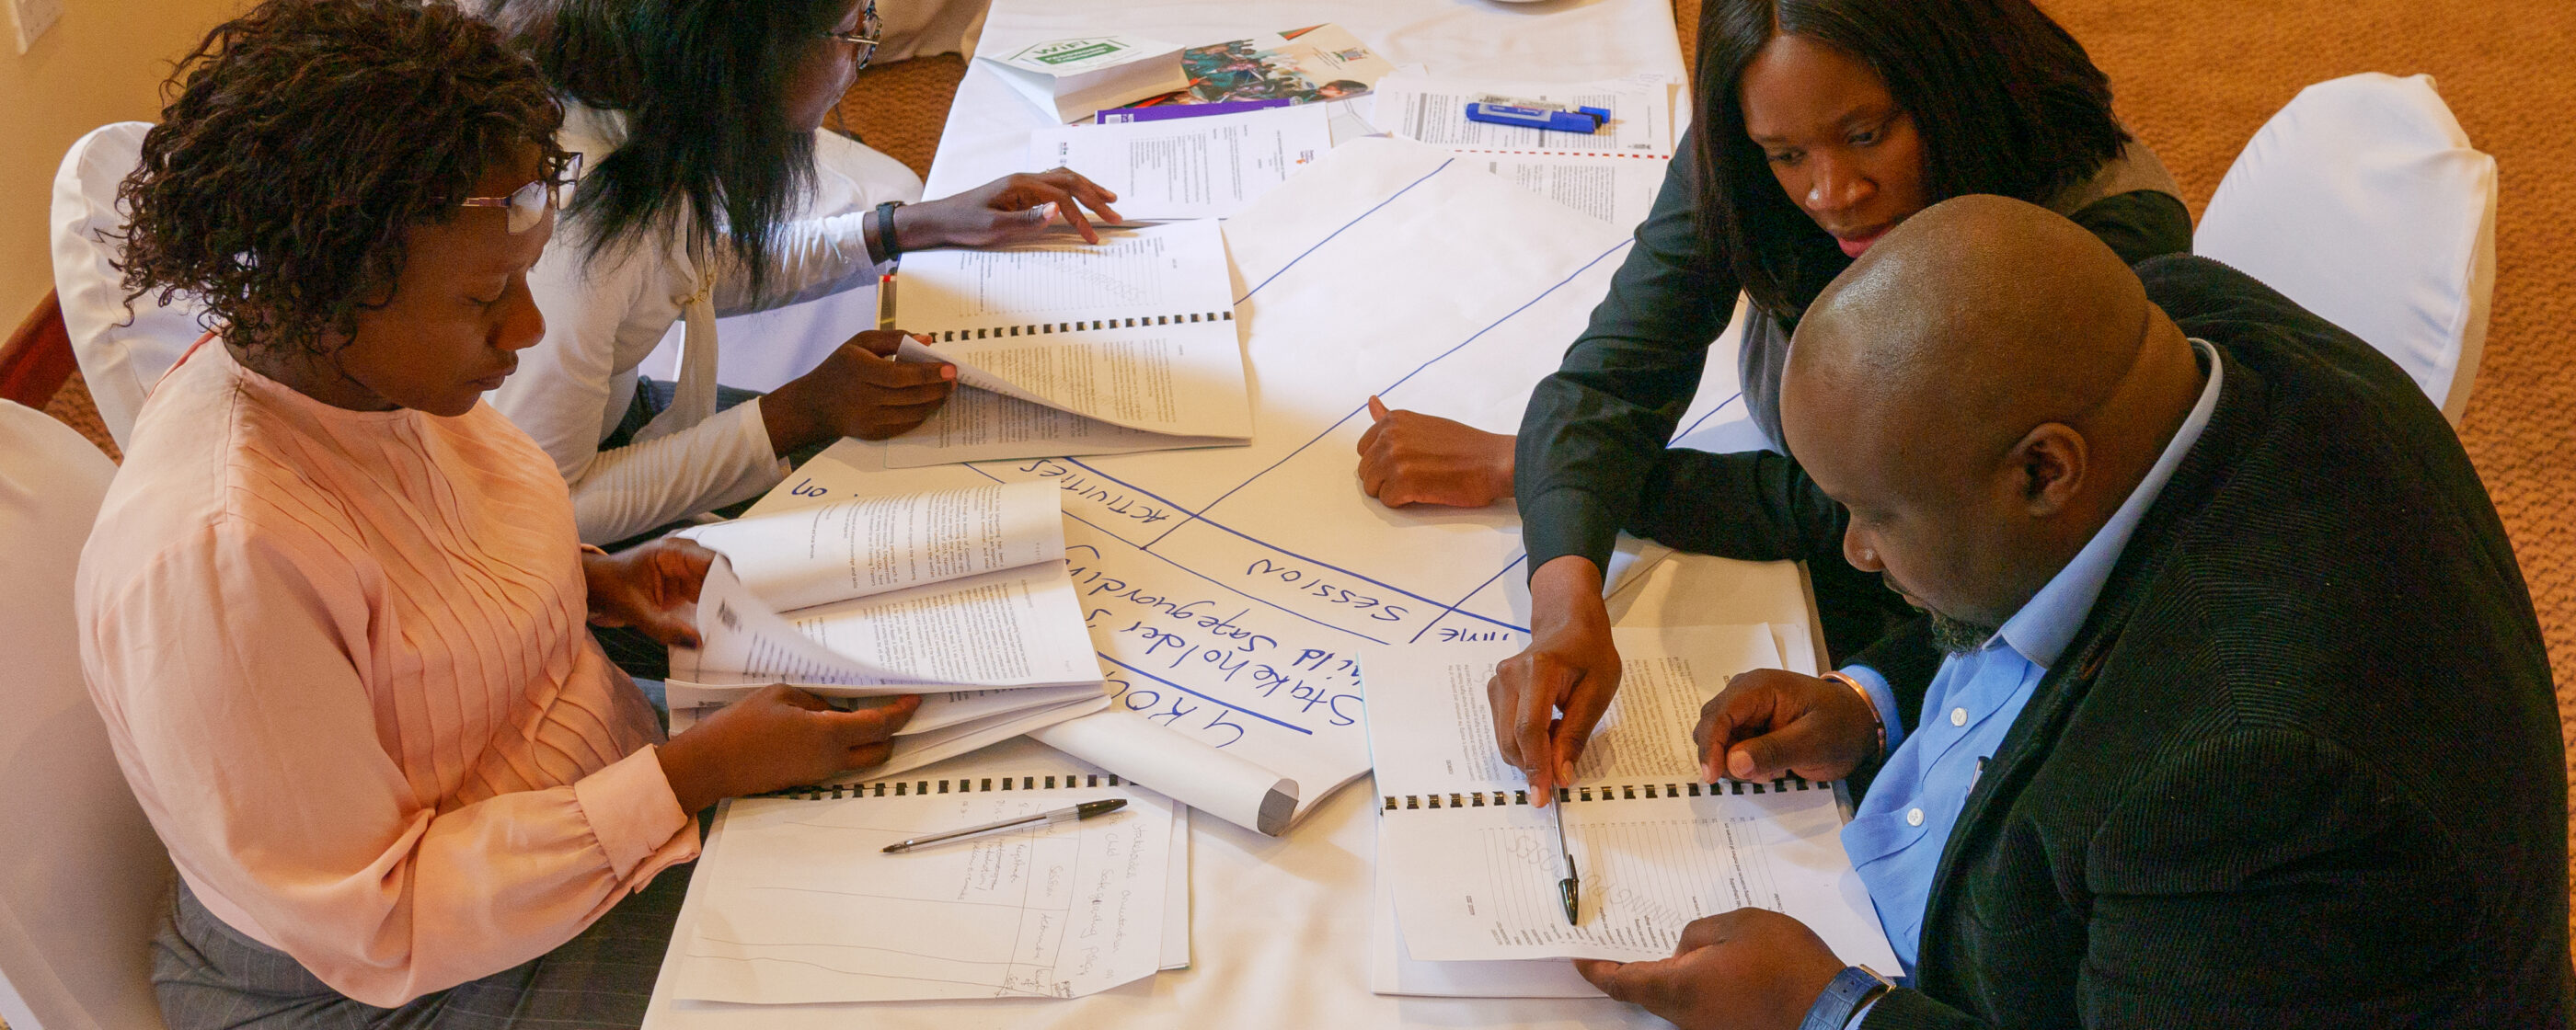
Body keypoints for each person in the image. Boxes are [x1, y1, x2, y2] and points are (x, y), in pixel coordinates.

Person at [79, 3, 917, 1024]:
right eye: (488, 300)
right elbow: (380, 919)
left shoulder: (375, 379)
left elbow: (442, 569)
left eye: (523, 281)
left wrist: (589, 580)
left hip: (566, 794)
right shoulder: (224, 558)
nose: (524, 329)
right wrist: (690, 772)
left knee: (895, 829)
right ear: (330, 287)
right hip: (380, 977)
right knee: (861, 969)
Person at [1570, 195, 2567, 1028]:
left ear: (2045, 469)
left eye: (1878, 515)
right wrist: (1874, 698)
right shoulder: (2177, 335)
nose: (1856, 553)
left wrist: (1826, 1012)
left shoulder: (2249, 773)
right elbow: (2026, 555)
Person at [1362, 0, 2193, 801]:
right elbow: (1621, 373)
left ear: (1955, 82)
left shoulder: (2101, 252)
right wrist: (1563, 603)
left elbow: (1891, 528)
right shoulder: (1771, 122)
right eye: (1786, 156)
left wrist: (1544, 467)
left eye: (1866, 136)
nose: (1830, 191)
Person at [489, 0, 1124, 547]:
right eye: (853, 32)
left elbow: (682, 270)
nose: (861, 55)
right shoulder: (577, 235)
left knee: (926, 470)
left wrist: (903, 227)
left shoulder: (641, 112)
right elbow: (547, 509)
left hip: (608, 426)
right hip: (539, 542)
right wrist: (802, 410)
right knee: (904, 542)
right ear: (751, 52)